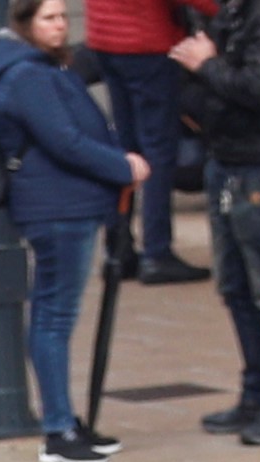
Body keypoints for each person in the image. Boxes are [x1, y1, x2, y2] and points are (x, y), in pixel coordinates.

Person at [0, 0, 147, 462]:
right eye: (49, 18)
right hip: (57, 207)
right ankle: (58, 429)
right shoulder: (27, 75)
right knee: (55, 315)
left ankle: (65, 422)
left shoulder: (35, 67)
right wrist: (123, 165)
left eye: (62, 17)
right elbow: (65, 140)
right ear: (25, 24)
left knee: (53, 313)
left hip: (63, 203)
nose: (60, 26)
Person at [172, 0, 260, 440]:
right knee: (234, 286)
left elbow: (259, 87)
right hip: (227, 157)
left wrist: (208, 66)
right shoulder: (232, 11)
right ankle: (255, 393)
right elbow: (193, 83)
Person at [84, 0, 200, 280]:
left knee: (125, 147)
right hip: (146, 39)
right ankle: (157, 251)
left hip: (105, 34)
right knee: (158, 151)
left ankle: (118, 247)